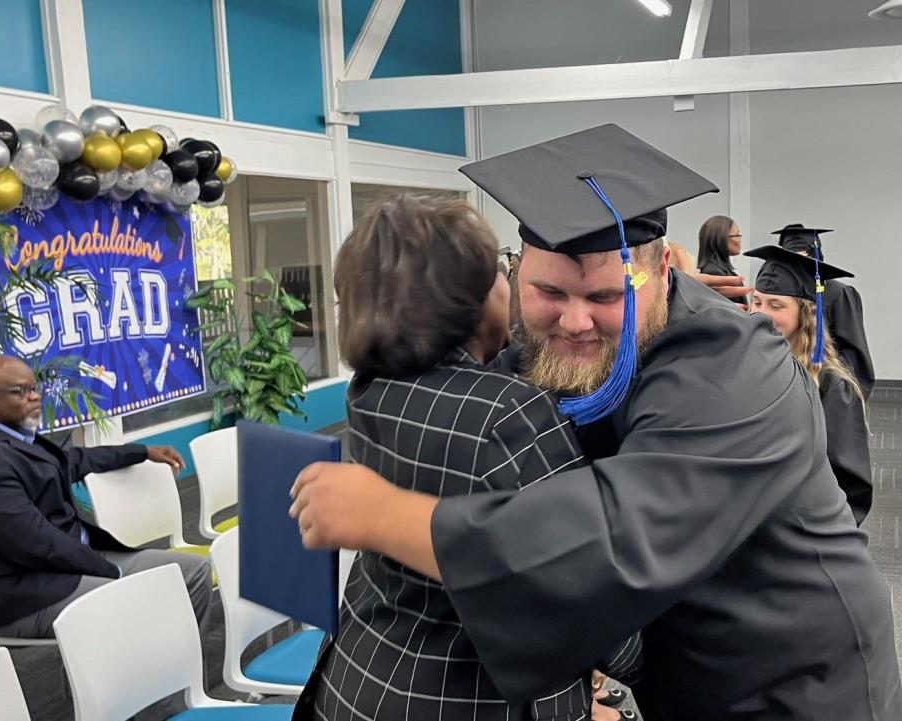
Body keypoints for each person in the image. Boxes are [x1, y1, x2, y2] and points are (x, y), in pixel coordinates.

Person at [290, 124, 902, 721]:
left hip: (784, 674)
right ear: (514, 276)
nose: (574, 322)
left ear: (661, 272)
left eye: (607, 297)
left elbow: (616, 538)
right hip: (675, 665)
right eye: (549, 292)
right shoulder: (546, 341)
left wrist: (382, 515)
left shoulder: (735, 368)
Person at [297, 194, 639, 721]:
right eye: (503, 272)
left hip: (363, 674)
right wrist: (626, 660)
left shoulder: (369, 390)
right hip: (464, 696)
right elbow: (578, 581)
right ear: (472, 301)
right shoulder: (508, 413)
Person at [0, 355, 212, 640]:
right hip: (25, 592)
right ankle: (128, 680)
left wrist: (142, 452)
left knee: (194, 572)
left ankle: (182, 678)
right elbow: (37, 543)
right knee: (137, 605)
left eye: (36, 388)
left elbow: (72, 461)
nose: (35, 397)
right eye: (23, 391)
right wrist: (112, 573)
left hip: (73, 561)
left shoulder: (14, 437)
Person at [747, 245, 872, 524]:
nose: (760, 314)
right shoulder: (747, 367)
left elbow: (850, 487)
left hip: (802, 532)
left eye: (775, 305)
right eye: (757, 302)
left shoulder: (833, 387)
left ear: (806, 312)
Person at [774, 223, 875, 398]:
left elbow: (854, 355)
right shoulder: (783, 295)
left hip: (824, 388)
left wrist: (840, 395)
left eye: (801, 258)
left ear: (816, 256)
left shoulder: (838, 293)